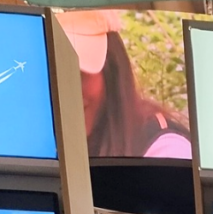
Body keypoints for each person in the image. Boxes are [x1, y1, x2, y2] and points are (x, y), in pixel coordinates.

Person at [58, 10, 192, 159]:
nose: (67, 92)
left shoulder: (166, 150)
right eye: (55, 76)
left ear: (111, 73)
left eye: (79, 75)